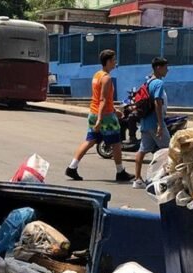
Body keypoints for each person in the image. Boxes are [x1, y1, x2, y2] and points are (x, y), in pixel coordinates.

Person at [66, 49, 133, 182]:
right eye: (114, 60)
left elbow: (101, 99)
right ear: (108, 61)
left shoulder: (97, 75)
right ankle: (120, 172)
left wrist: (113, 110)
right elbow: (103, 99)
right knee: (116, 143)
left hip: (94, 112)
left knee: (90, 140)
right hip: (105, 116)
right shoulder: (107, 78)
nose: (115, 62)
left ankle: (72, 167)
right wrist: (101, 119)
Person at [133, 57, 170, 189]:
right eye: (166, 67)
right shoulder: (158, 83)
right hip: (155, 123)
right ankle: (165, 178)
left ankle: (137, 179)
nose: (168, 70)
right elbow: (157, 103)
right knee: (169, 151)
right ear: (158, 68)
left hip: (145, 122)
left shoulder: (148, 81)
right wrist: (160, 124)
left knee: (142, 150)